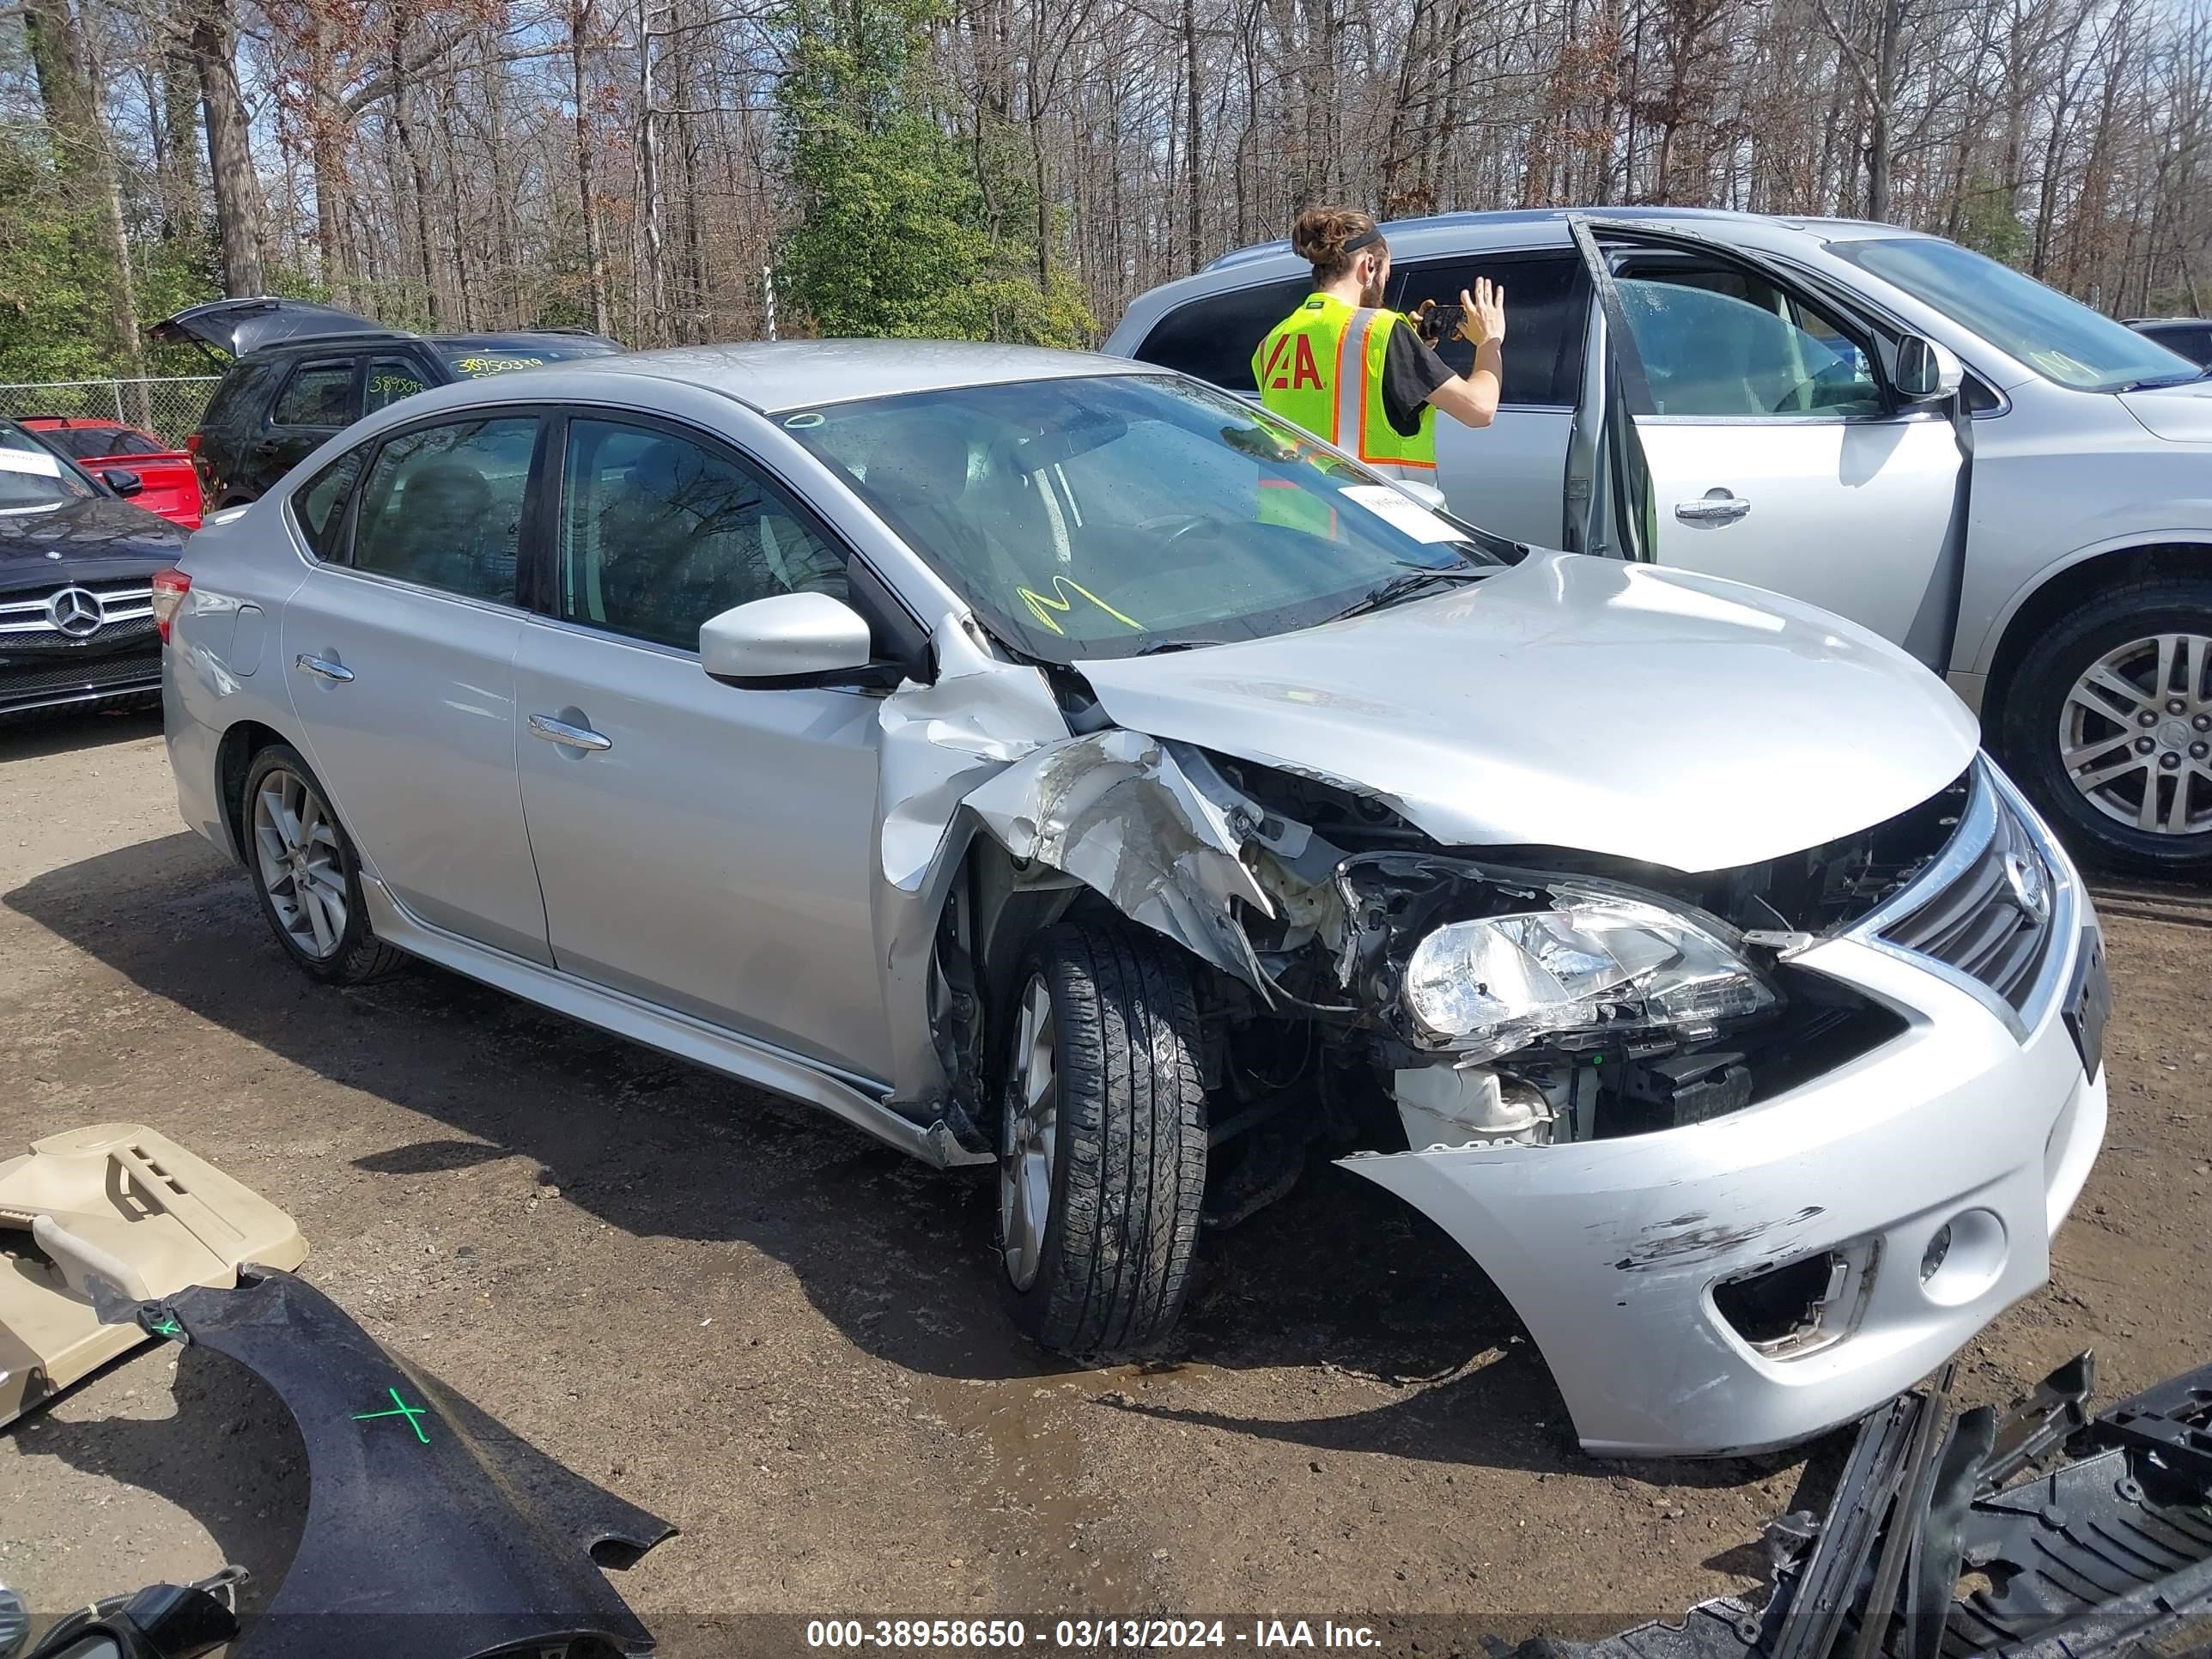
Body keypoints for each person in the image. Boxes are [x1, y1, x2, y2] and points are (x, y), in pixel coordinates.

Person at [1252, 206, 1506, 480]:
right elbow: (1479, 409)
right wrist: (1489, 341)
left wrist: (1414, 349)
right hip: (1364, 518)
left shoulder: (1273, 341)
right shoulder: (1380, 331)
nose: (1385, 284)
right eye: (1387, 274)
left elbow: (1331, 397)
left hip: (1285, 516)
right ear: (1369, 266)